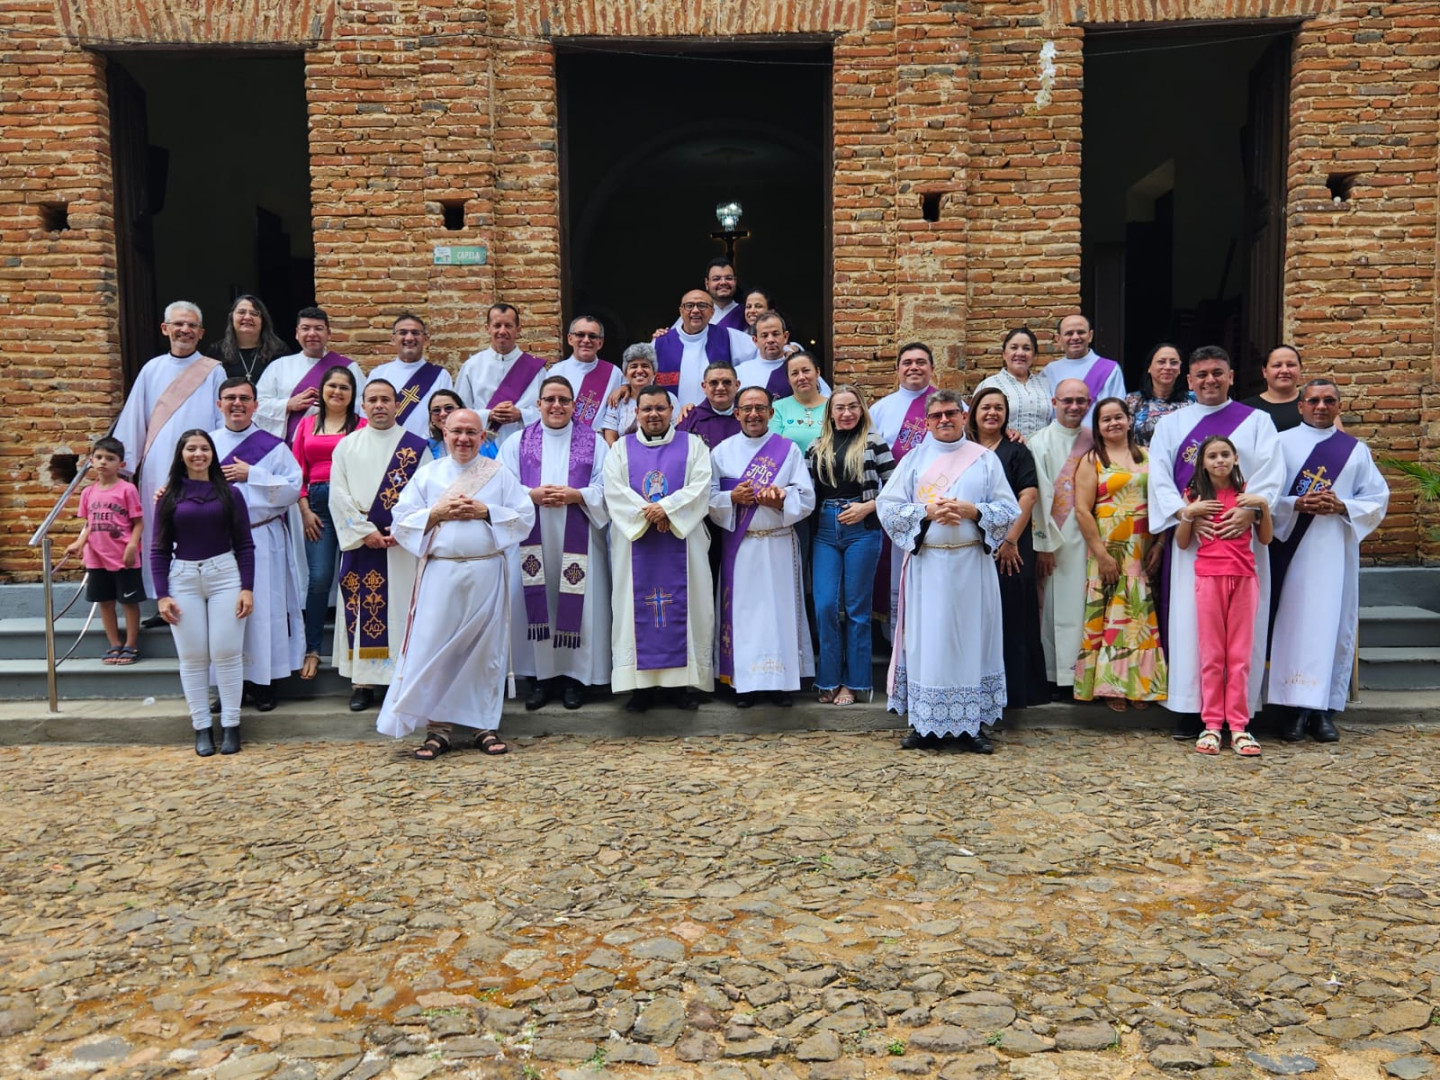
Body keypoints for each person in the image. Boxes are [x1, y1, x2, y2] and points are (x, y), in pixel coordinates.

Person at [376, 409, 536, 759]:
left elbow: (525, 516)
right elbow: (400, 522)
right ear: (443, 432)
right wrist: (438, 514)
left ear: (483, 437)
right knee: (436, 649)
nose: (463, 439)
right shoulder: (428, 475)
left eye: (471, 433)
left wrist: (486, 511)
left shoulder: (499, 475)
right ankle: (438, 729)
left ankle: (483, 725)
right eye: (456, 431)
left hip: (486, 572)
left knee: (484, 650)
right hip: (440, 575)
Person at [1148, 345, 1285, 737]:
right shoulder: (1173, 424)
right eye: (1202, 374)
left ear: (1230, 377)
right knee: (1193, 627)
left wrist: (1251, 511)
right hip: (1195, 543)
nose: (1210, 380)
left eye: (1217, 373)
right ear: (1189, 381)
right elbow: (1158, 477)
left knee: (1242, 633)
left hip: (1243, 544)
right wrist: (1184, 514)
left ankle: (1239, 713)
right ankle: (1194, 709)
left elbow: (1272, 473)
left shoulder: (1257, 421)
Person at [879, 389, 1019, 753]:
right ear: (927, 422)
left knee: (972, 641)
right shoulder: (913, 460)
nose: (944, 420)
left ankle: (972, 724)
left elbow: (1009, 509)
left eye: (951, 413)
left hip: (972, 564)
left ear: (963, 416)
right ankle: (925, 723)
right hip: (929, 566)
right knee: (928, 643)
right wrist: (926, 513)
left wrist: (974, 512)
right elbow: (888, 508)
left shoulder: (984, 460)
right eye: (937, 415)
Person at [1267, 379, 1389, 743]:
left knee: (1330, 627)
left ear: (1339, 406)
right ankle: (1291, 710)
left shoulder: (1354, 450)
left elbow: (1377, 498)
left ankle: (1323, 711)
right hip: (1290, 552)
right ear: (1301, 405)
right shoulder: (1280, 443)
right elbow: (1263, 495)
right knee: (1292, 626)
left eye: (1329, 401)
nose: (1321, 406)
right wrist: (1296, 504)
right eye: (1314, 400)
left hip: (1335, 550)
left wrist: (1343, 506)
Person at [499, 376, 612, 711]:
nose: (557, 406)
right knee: (537, 605)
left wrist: (577, 495)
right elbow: (503, 487)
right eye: (550, 399)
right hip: (530, 540)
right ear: (538, 404)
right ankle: (539, 679)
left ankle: (576, 680)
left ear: (574, 405)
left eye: (564, 400)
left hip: (580, 538)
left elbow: (608, 486)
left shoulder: (595, 443)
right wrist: (530, 495)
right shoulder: (517, 442)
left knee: (582, 607)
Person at [602, 386, 715, 712]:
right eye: (647, 409)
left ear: (671, 410)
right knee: (633, 610)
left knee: (689, 606)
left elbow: (701, 486)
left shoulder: (693, 445)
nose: (653, 415)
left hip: (683, 541)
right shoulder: (620, 449)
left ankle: (681, 686)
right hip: (636, 542)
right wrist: (652, 514)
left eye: (660, 409)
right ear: (636, 413)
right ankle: (641, 688)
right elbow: (614, 490)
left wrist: (666, 510)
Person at [709, 387, 816, 707]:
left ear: (771, 412)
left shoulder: (788, 450)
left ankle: (780, 684)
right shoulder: (722, 452)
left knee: (780, 614)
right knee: (745, 616)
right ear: (737, 413)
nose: (753, 414)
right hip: (741, 547)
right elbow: (708, 498)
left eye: (760, 408)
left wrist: (783, 498)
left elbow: (806, 496)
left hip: (779, 544)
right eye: (747, 408)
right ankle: (747, 684)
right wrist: (732, 498)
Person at [150, 430, 255, 756]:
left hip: (225, 575)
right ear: (181, 454)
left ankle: (232, 725)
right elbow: (159, 549)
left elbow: (245, 545)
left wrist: (247, 588)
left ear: (213, 453)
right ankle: (201, 728)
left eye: (204, 448)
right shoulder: (168, 497)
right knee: (193, 657)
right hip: (183, 578)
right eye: (191, 448)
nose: (198, 454)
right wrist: (162, 594)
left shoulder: (230, 494)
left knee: (226, 653)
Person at [112, 300, 226, 599]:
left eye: (191, 325)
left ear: (201, 333)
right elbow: (135, 417)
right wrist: (124, 468)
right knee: (159, 529)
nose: (184, 330)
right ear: (166, 329)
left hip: (200, 466)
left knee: (196, 525)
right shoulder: (152, 370)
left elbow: (221, 421)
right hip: (158, 465)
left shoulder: (214, 372)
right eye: (178, 324)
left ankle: (198, 593)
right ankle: (162, 595)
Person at [329, 380, 429, 711]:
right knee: (360, 607)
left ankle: (399, 678)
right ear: (363, 405)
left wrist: (404, 529)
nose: (379, 405)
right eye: (372, 400)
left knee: (401, 609)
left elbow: (428, 495)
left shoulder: (415, 447)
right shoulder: (346, 446)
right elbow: (338, 496)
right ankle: (363, 682)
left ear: (397, 404)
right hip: (361, 542)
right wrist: (363, 531)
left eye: (386, 399)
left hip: (401, 545)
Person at [208, 377, 305, 713]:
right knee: (223, 613)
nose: (237, 404)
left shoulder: (274, 446)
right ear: (219, 403)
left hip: (262, 536)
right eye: (230, 398)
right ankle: (227, 684)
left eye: (244, 398)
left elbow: (294, 489)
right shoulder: (204, 445)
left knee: (263, 610)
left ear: (256, 405)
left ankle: (264, 682)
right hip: (217, 541)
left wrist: (254, 475)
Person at [1175, 435, 1274, 756]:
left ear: (1235, 459)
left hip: (1245, 579)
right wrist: (1189, 513)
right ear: (1203, 463)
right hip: (1209, 579)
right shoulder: (1195, 496)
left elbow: (1266, 539)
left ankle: (1240, 727)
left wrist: (1262, 508)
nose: (1219, 460)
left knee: (1240, 656)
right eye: (1212, 456)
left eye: (1225, 454)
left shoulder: (1247, 496)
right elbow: (1182, 543)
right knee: (1213, 656)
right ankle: (1212, 725)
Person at [1071, 397, 1168, 712]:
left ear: (1129, 420)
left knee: (1138, 615)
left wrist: (1160, 544)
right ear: (1097, 427)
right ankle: (1110, 686)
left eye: (1118, 417)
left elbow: (1163, 504)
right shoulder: (1091, 460)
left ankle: (1139, 685)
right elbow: (1083, 511)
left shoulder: (1150, 457)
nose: (1113, 423)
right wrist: (1101, 554)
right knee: (1112, 618)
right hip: (1108, 547)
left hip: (1142, 546)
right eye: (1105, 419)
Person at [806, 387, 894, 706]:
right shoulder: (817, 447)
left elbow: (897, 486)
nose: (846, 413)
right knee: (826, 605)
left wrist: (868, 507)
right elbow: (805, 491)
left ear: (861, 410)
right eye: (840, 408)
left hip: (863, 527)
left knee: (857, 609)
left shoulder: (874, 442)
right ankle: (829, 678)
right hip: (826, 528)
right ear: (830, 412)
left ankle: (855, 683)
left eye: (853, 407)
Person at [965, 388, 1047, 709]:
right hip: (973, 544)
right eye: (985, 407)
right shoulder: (965, 450)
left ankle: (1016, 692)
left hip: (1013, 544)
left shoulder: (1017, 450)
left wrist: (1010, 540)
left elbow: (1028, 497)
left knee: (1013, 615)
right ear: (973, 412)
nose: (992, 413)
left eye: (999, 408)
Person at [293, 365, 366, 681]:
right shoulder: (307, 425)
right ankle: (312, 649)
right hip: (317, 509)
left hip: (352, 506)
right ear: (322, 390)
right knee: (320, 578)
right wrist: (305, 510)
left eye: (344, 388)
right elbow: (298, 472)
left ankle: (358, 651)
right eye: (332, 386)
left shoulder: (362, 426)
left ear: (353, 395)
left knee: (356, 579)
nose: (337, 392)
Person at [868, 342, 940, 636]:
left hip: (937, 504)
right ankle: (893, 637)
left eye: (921, 362)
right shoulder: (880, 409)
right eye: (907, 362)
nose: (914, 367)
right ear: (897, 369)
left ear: (932, 369)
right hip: (894, 505)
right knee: (894, 570)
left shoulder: (951, 405)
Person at [1029, 379, 1093, 699]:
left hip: (1091, 540)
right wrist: (1042, 546)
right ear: (1054, 402)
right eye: (1067, 400)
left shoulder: (1096, 440)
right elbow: (1037, 499)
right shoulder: (1038, 443)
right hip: (1056, 541)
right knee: (1054, 610)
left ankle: (1086, 677)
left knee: (1086, 610)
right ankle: (1057, 676)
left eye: (1080, 401)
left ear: (1089, 403)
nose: (1074, 407)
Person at [64, 436, 145, 666]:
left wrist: (132, 547)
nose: (103, 462)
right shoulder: (89, 492)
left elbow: (138, 523)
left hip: (124, 557)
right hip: (96, 557)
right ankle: (114, 644)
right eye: (99, 457)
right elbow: (89, 524)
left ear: (121, 464)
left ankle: (131, 644)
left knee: (128, 602)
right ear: (91, 461)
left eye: (110, 458)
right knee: (105, 602)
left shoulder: (127, 489)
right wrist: (80, 543)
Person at [257, 306, 366, 444]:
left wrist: (335, 404)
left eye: (318, 328)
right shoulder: (279, 367)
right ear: (297, 333)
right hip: (288, 446)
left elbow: (363, 406)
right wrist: (288, 404)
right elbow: (257, 406)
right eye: (305, 328)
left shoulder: (349, 368)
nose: (312, 333)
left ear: (329, 334)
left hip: (333, 443)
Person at [454, 303, 548, 443]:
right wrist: (489, 415)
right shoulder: (471, 366)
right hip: (482, 447)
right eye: (497, 325)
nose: (502, 331)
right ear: (487, 328)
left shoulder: (537, 370)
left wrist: (521, 414)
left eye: (508, 326)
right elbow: (458, 413)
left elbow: (548, 412)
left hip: (525, 444)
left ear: (518, 329)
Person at [367, 313, 454, 440]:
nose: (409, 337)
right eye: (403, 332)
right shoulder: (379, 374)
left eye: (415, 332)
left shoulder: (440, 375)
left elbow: (448, 416)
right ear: (393, 339)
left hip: (428, 448)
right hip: (385, 445)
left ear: (425, 339)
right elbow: (367, 414)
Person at [654, 290, 737, 407]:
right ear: (681, 311)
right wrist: (626, 386)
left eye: (702, 305)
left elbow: (761, 360)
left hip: (716, 418)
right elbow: (638, 374)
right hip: (672, 420)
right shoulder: (660, 342)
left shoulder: (729, 336)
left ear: (712, 312)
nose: (695, 310)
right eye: (689, 306)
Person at [975, 328, 1053, 439]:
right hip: (1005, 452)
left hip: (1042, 452)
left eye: (1026, 348)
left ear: (1034, 355)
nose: (1020, 353)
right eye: (1014, 347)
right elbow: (974, 423)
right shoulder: (989, 385)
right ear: (1004, 354)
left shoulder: (1046, 385)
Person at [734, 313, 832, 401]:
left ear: (785, 337)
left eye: (775, 334)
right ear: (755, 340)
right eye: (764, 335)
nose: (770, 340)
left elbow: (826, 400)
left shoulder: (801, 369)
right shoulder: (741, 372)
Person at [1045, 314, 1125, 420]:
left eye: (1081, 332)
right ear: (1058, 339)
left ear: (1090, 336)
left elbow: (1117, 411)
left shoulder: (1110, 369)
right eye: (1069, 333)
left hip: (1096, 436)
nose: (1075, 337)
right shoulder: (1050, 371)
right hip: (1059, 436)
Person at [549, 316, 623, 431]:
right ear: (570, 339)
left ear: (600, 343)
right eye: (580, 335)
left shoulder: (614, 373)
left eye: (592, 336)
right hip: (563, 438)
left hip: (599, 443)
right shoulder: (556, 372)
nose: (586, 340)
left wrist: (626, 387)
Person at [600, 345, 675, 444]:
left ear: (654, 373)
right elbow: (610, 436)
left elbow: (676, 431)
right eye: (634, 366)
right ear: (625, 374)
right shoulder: (617, 400)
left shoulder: (668, 397)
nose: (639, 371)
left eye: (645, 366)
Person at [209, 294, 288, 386]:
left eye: (254, 314)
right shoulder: (216, 351)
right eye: (241, 312)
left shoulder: (279, 351)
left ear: (263, 320)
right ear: (231, 317)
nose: (247, 317)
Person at [1124, 343, 1192, 447]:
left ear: (1179, 369)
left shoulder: (1192, 401)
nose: (1168, 367)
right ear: (1149, 367)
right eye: (1161, 362)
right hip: (1143, 461)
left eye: (1174, 363)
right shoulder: (1132, 400)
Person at [768, 350, 830, 452]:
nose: (801, 377)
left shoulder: (833, 406)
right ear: (788, 380)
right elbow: (773, 449)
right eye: (794, 373)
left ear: (817, 372)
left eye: (806, 370)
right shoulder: (777, 408)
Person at [677, 361, 742, 450]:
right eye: (714, 383)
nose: (720, 388)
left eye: (726, 382)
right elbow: (679, 452)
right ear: (704, 387)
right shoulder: (690, 418)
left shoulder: (747, 415)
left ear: (737, 385)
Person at [1242, 344, 1305, 432]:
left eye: (1291, 365)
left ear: (1300, 369)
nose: (1284, 371)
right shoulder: (1246, 409)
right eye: (1277, 365)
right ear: (1264, 371)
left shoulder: (1313, 405)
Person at [426, 389, 492, 461]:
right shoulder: (427, 447)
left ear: (462, 410)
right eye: (436, 410)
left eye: (449, 408)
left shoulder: (484, 443)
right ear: (431, 418)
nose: (443, 414)